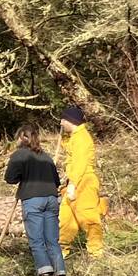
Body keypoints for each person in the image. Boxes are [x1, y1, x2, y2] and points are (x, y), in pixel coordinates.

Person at [4, 126, 65, 276]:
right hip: (52, 199)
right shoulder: (46, 157)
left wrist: (24, 175)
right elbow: (56, 181)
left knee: (36, 240)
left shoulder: (19, 155)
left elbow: (10, 178)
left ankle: (45, 275)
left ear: (22, 138)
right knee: (52, 240)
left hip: (33, 199)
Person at [58, 103, 107, 258]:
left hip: (83, 183)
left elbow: (80, 163)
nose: (60, 123)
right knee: (66, 220)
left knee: (89, 218)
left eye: (63, 120)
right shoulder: (75, 137)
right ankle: (61, 253)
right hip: (74, 182)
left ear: (70, 120)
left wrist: (73, 185)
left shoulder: (82, 138)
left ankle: (95, 253)